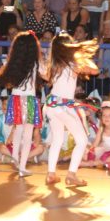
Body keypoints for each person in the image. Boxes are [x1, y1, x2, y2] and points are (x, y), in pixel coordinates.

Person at [42, 32, 100, 185]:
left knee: (57, 139)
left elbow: (45, 76)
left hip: (51, 105)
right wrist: (81, 56)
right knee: (82, 140)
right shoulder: (73, 64)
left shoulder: (52, 65)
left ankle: (51, 174)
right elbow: (95, 70)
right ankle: (71, 175)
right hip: (64, 107)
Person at [0, 31, 44, 177]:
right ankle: (22, 166)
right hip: (29, 100)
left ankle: (15, 158)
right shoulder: (35, 63)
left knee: (18, 130)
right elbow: (46, 74)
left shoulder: (13, 63)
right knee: (27, 133)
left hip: (15, 99)